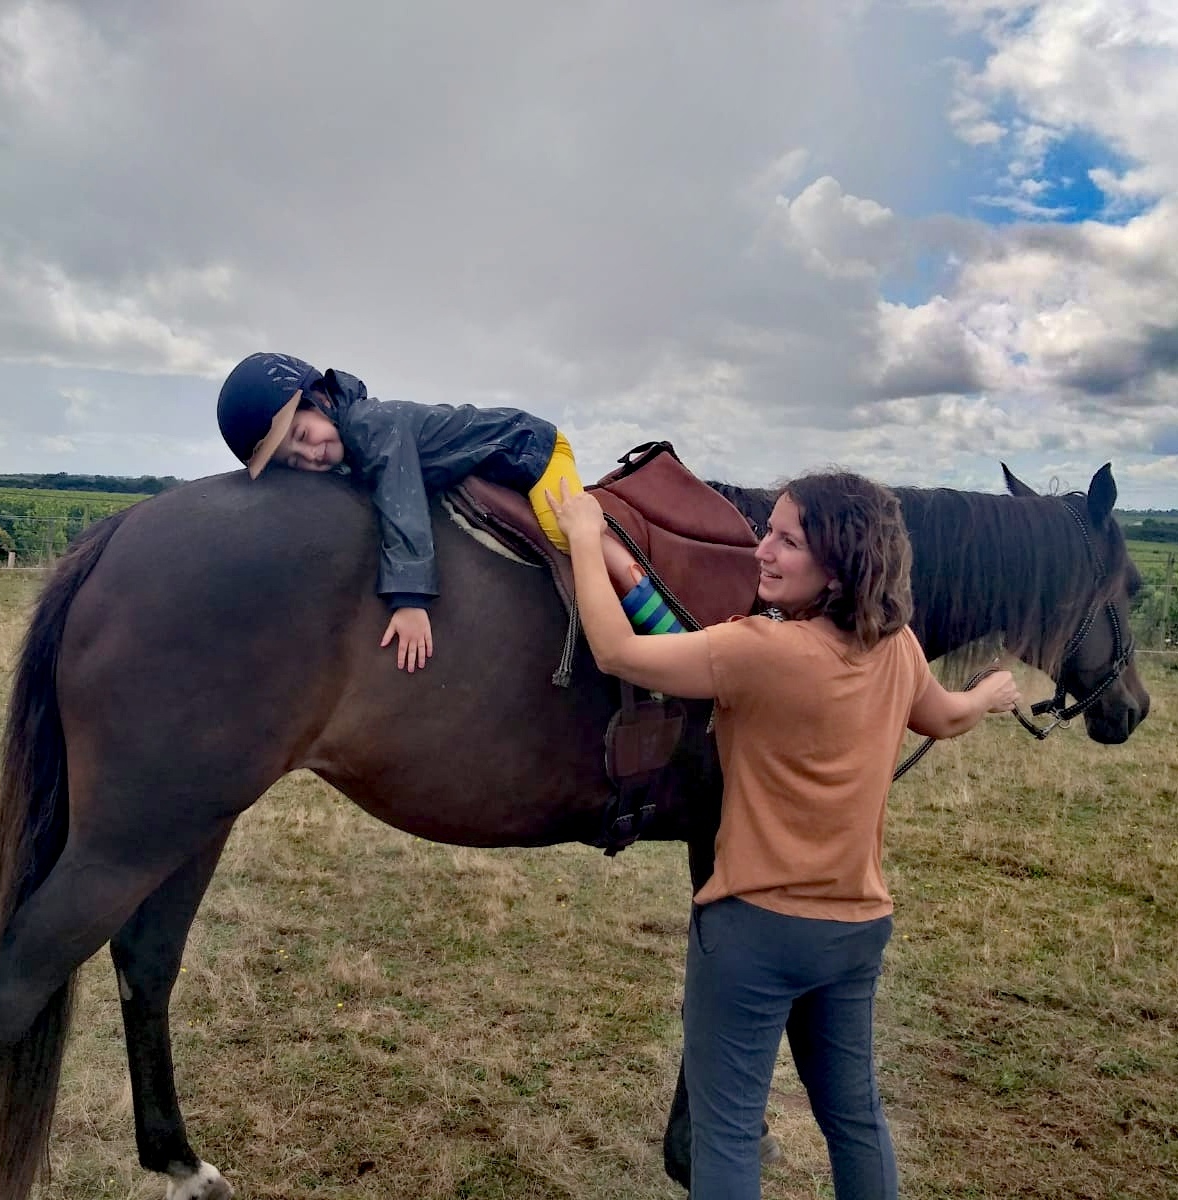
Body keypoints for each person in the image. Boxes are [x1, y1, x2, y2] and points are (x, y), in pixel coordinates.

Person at [547, 470, 1020, 1200]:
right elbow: (947, 717)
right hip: (855, 931)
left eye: (786, 539)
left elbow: (616, 650)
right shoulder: (895, 650)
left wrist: (584, 536)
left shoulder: (758, 652)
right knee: (856, 1121)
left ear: (837, 565)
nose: (761, 549)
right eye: (768, 529)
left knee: (729, 1132)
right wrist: (991, 693)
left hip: (754, 938)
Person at [216, 352, 678, 672]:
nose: (310, 456)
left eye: (301, 437)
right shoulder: (352, 440)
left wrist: (411, 600)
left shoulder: (369, 426)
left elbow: (402, 502)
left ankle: (663, 620)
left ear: (320, 400)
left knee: (570, 533)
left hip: (530, 450)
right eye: (294, 461)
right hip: (496, 461)